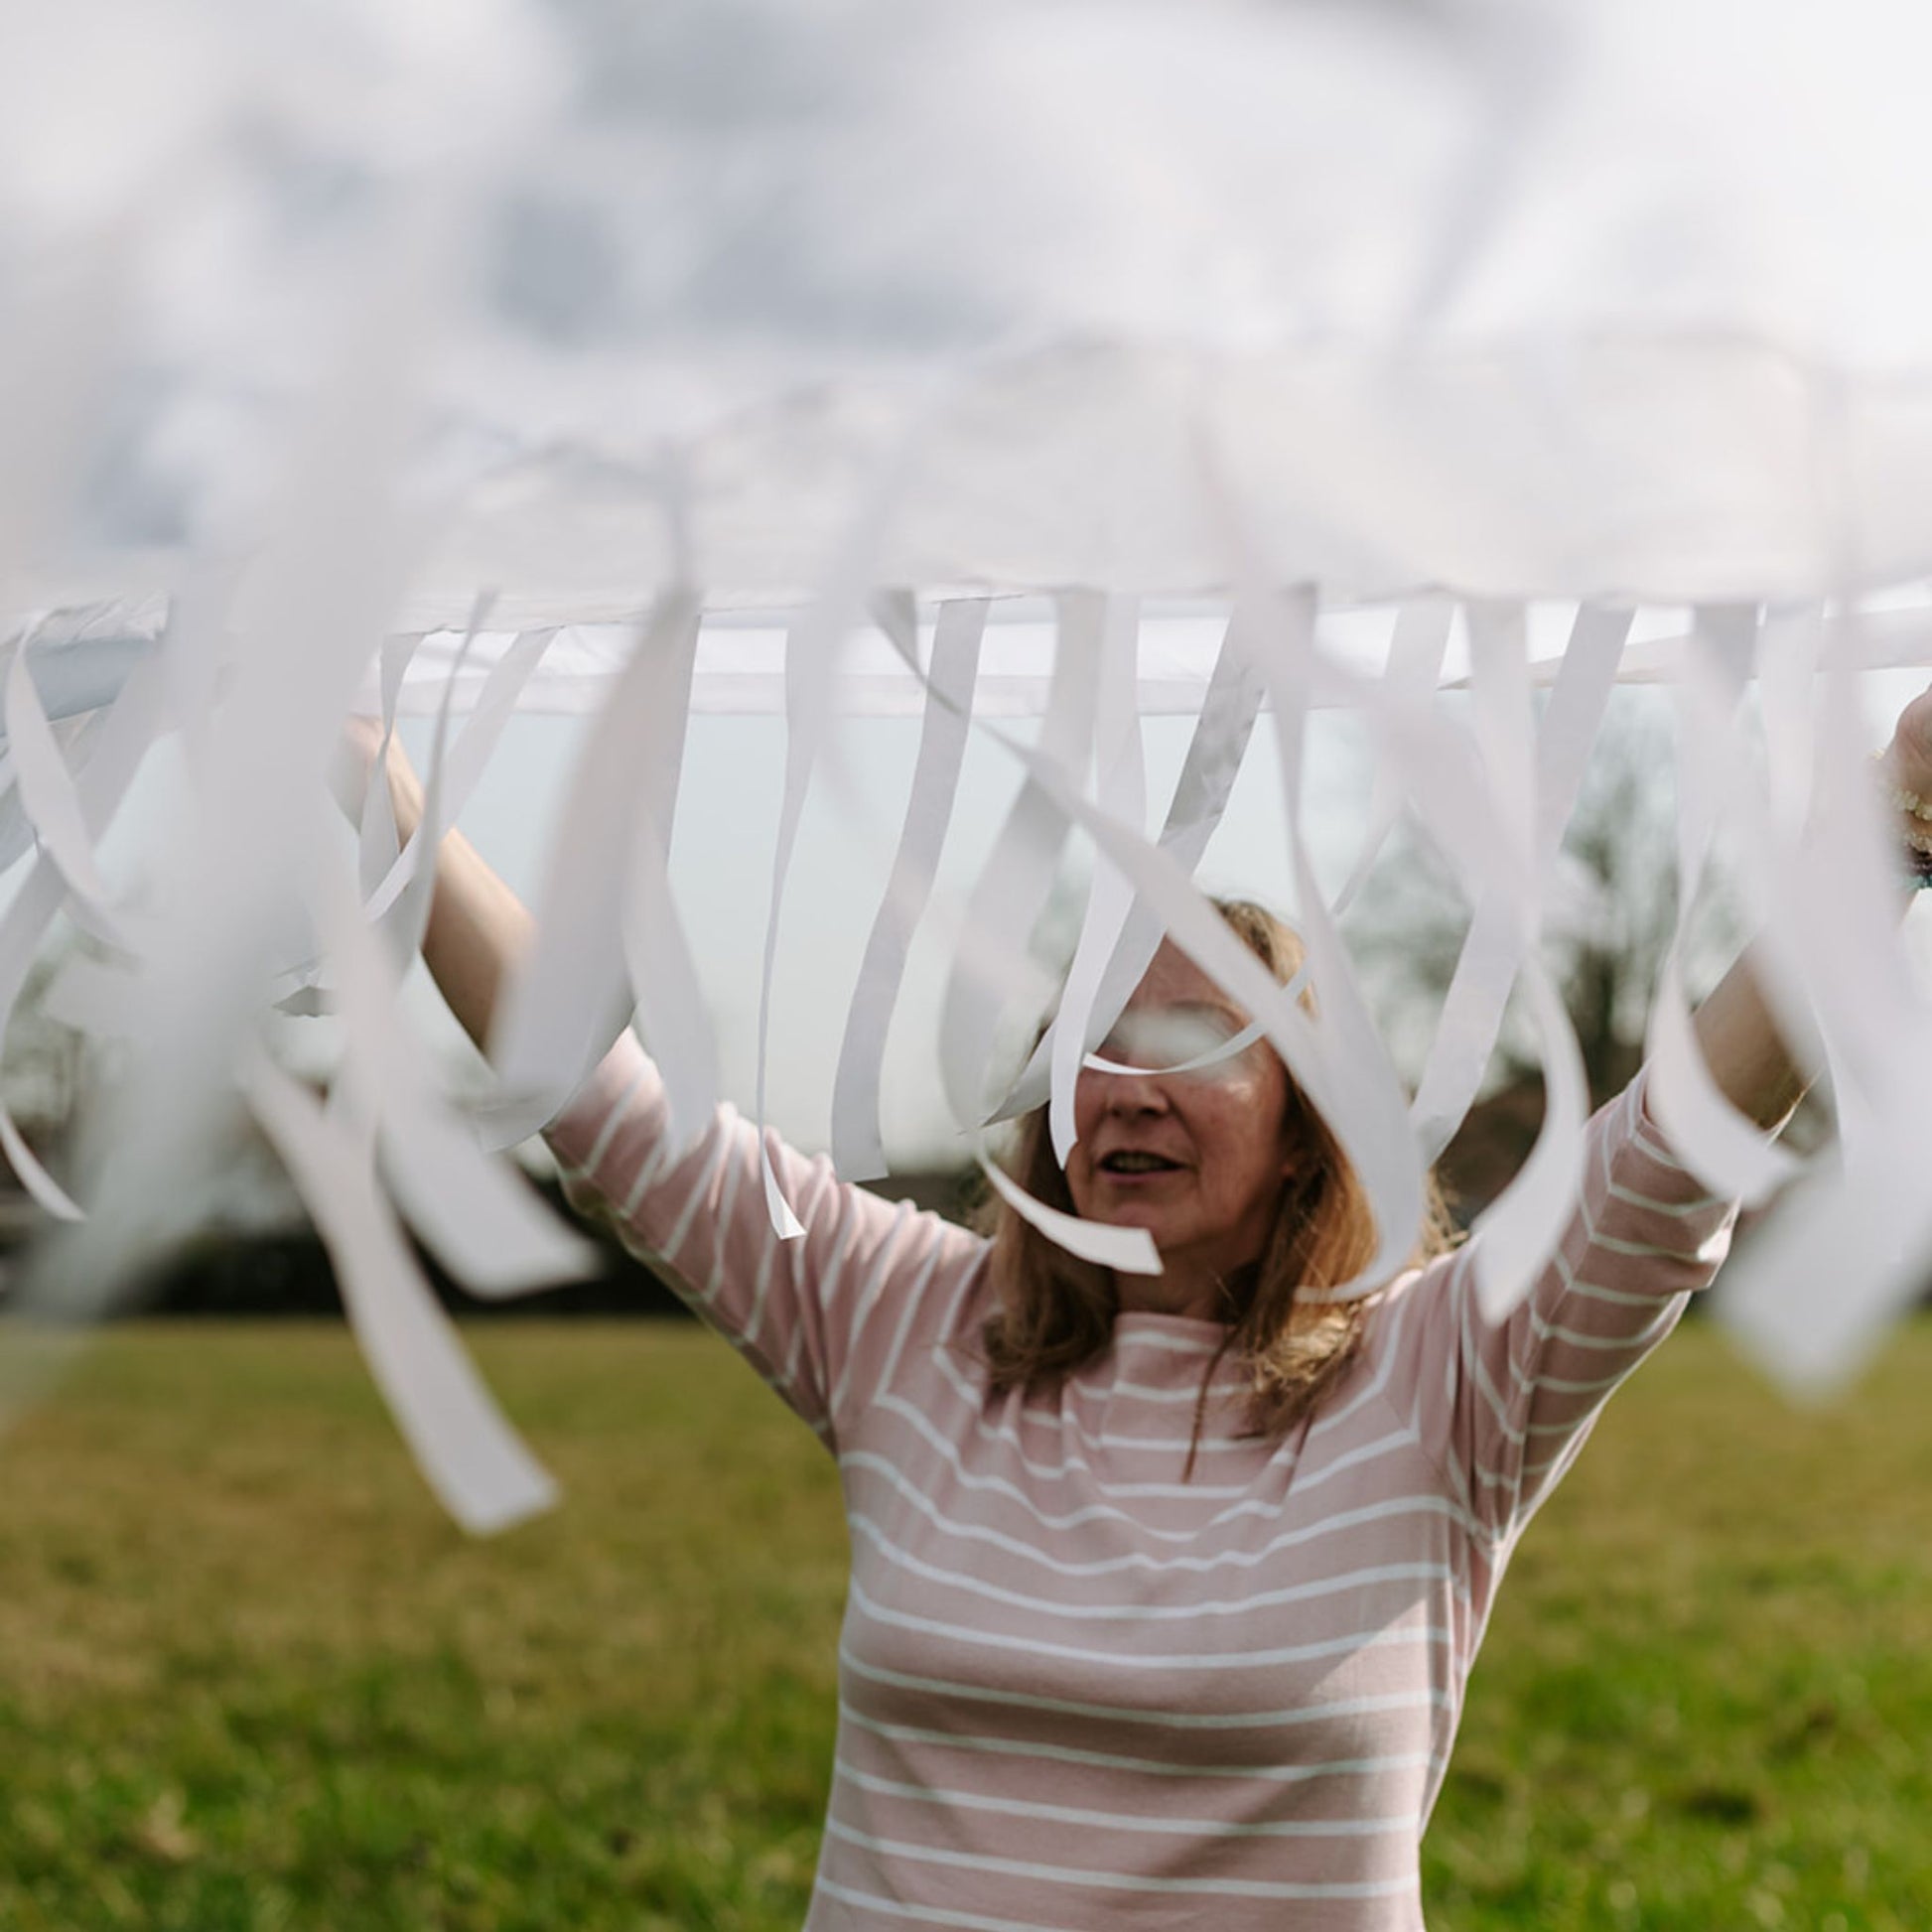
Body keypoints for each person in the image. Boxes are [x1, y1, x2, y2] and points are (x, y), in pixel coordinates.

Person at [355, 687, 1931, 1930]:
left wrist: (1884, 834)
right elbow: (606, 1099)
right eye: (1094, 1035)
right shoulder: (897, 1316)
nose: (1125, 1078)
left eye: (1191, 1031)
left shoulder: (1444, 1375)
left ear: (1311, 1113)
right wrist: (391, 798)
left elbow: (1663, 1161)